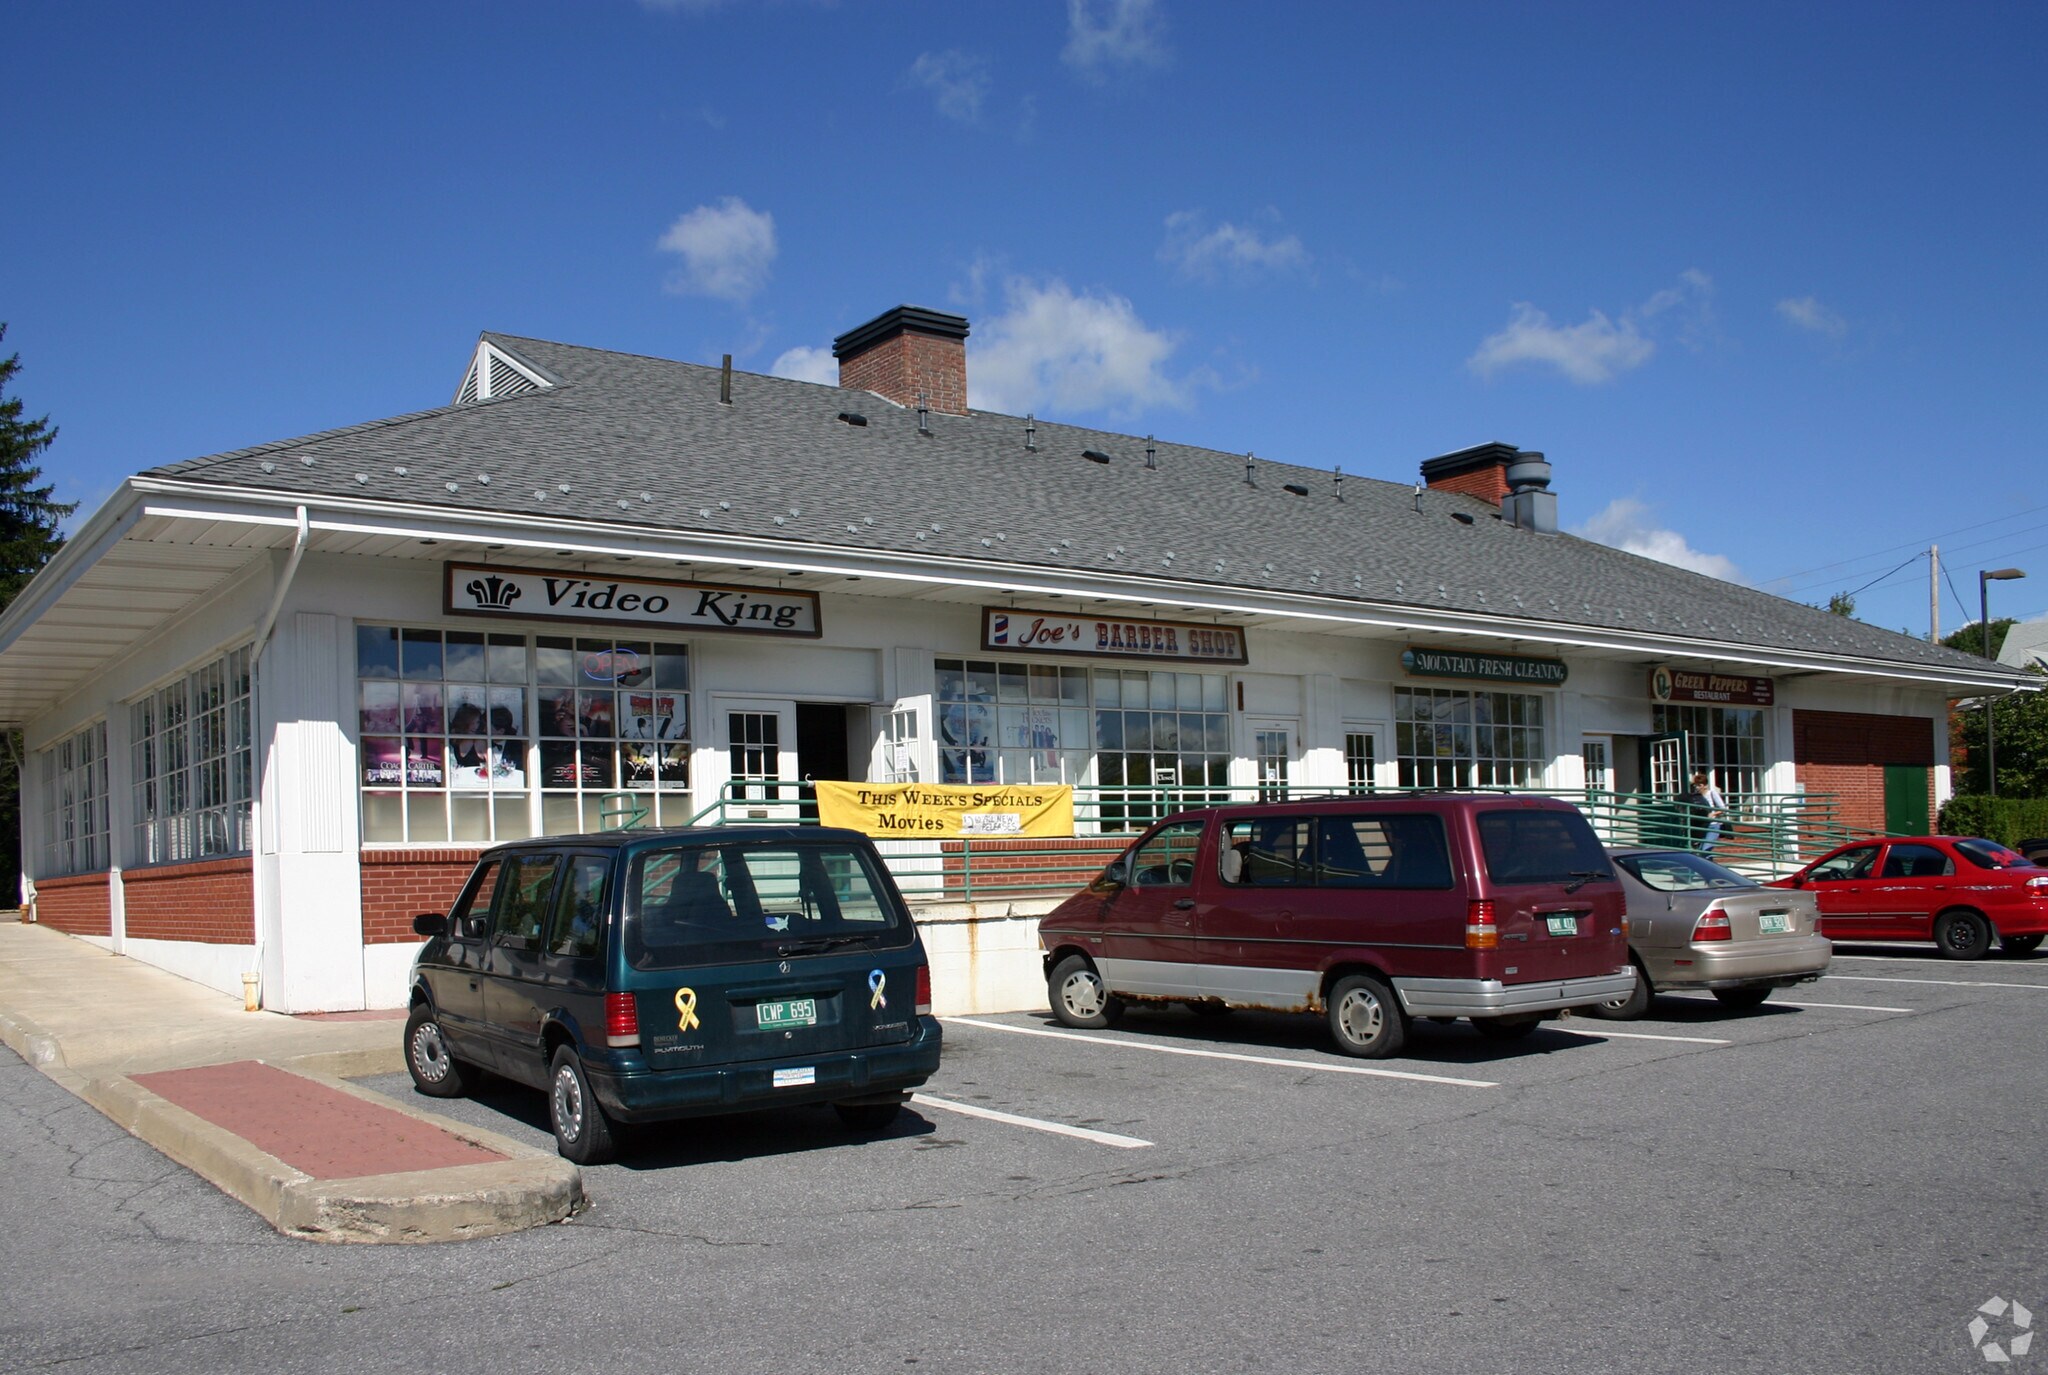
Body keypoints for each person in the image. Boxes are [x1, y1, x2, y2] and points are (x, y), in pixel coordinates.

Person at [1691, 769, 1729, 855]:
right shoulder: (1696, 796)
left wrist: (1713, 814)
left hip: (1712, 825)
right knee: (1699, 850)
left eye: (1699, 785)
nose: (1697, 787)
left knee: (1706, 849)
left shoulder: (1712, 793)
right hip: (1700, 825)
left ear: (1704, 785)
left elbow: (1723, 808)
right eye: (1696, 785)